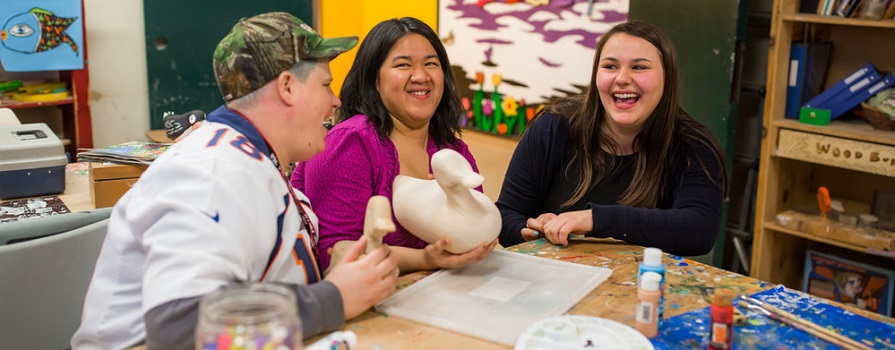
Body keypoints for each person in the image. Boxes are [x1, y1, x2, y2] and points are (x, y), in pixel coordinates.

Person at [71, 12, 399, 349]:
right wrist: (332, 298)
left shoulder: (255, 158)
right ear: (288, 87)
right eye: (326, 85)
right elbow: (180, 327)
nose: (336, 101)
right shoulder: (213, 172)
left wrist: (336, 278)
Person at [496, 21, 727, 256]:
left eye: (639, 67)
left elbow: (699, 230)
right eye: (610, 66)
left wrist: (595, 219)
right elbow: (506, 214)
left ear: (667, 78)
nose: (622, 78)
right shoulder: (554, 127)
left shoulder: (693, 146)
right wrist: (531, 233)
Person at [290, 17, 497, 274]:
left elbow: (476, 233)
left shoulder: (453, 150)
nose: (421, 76)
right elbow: (338, 255)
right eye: (403, 65)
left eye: (432, 64)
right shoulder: (350, 142)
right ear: (374, 80)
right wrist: (426, 258)